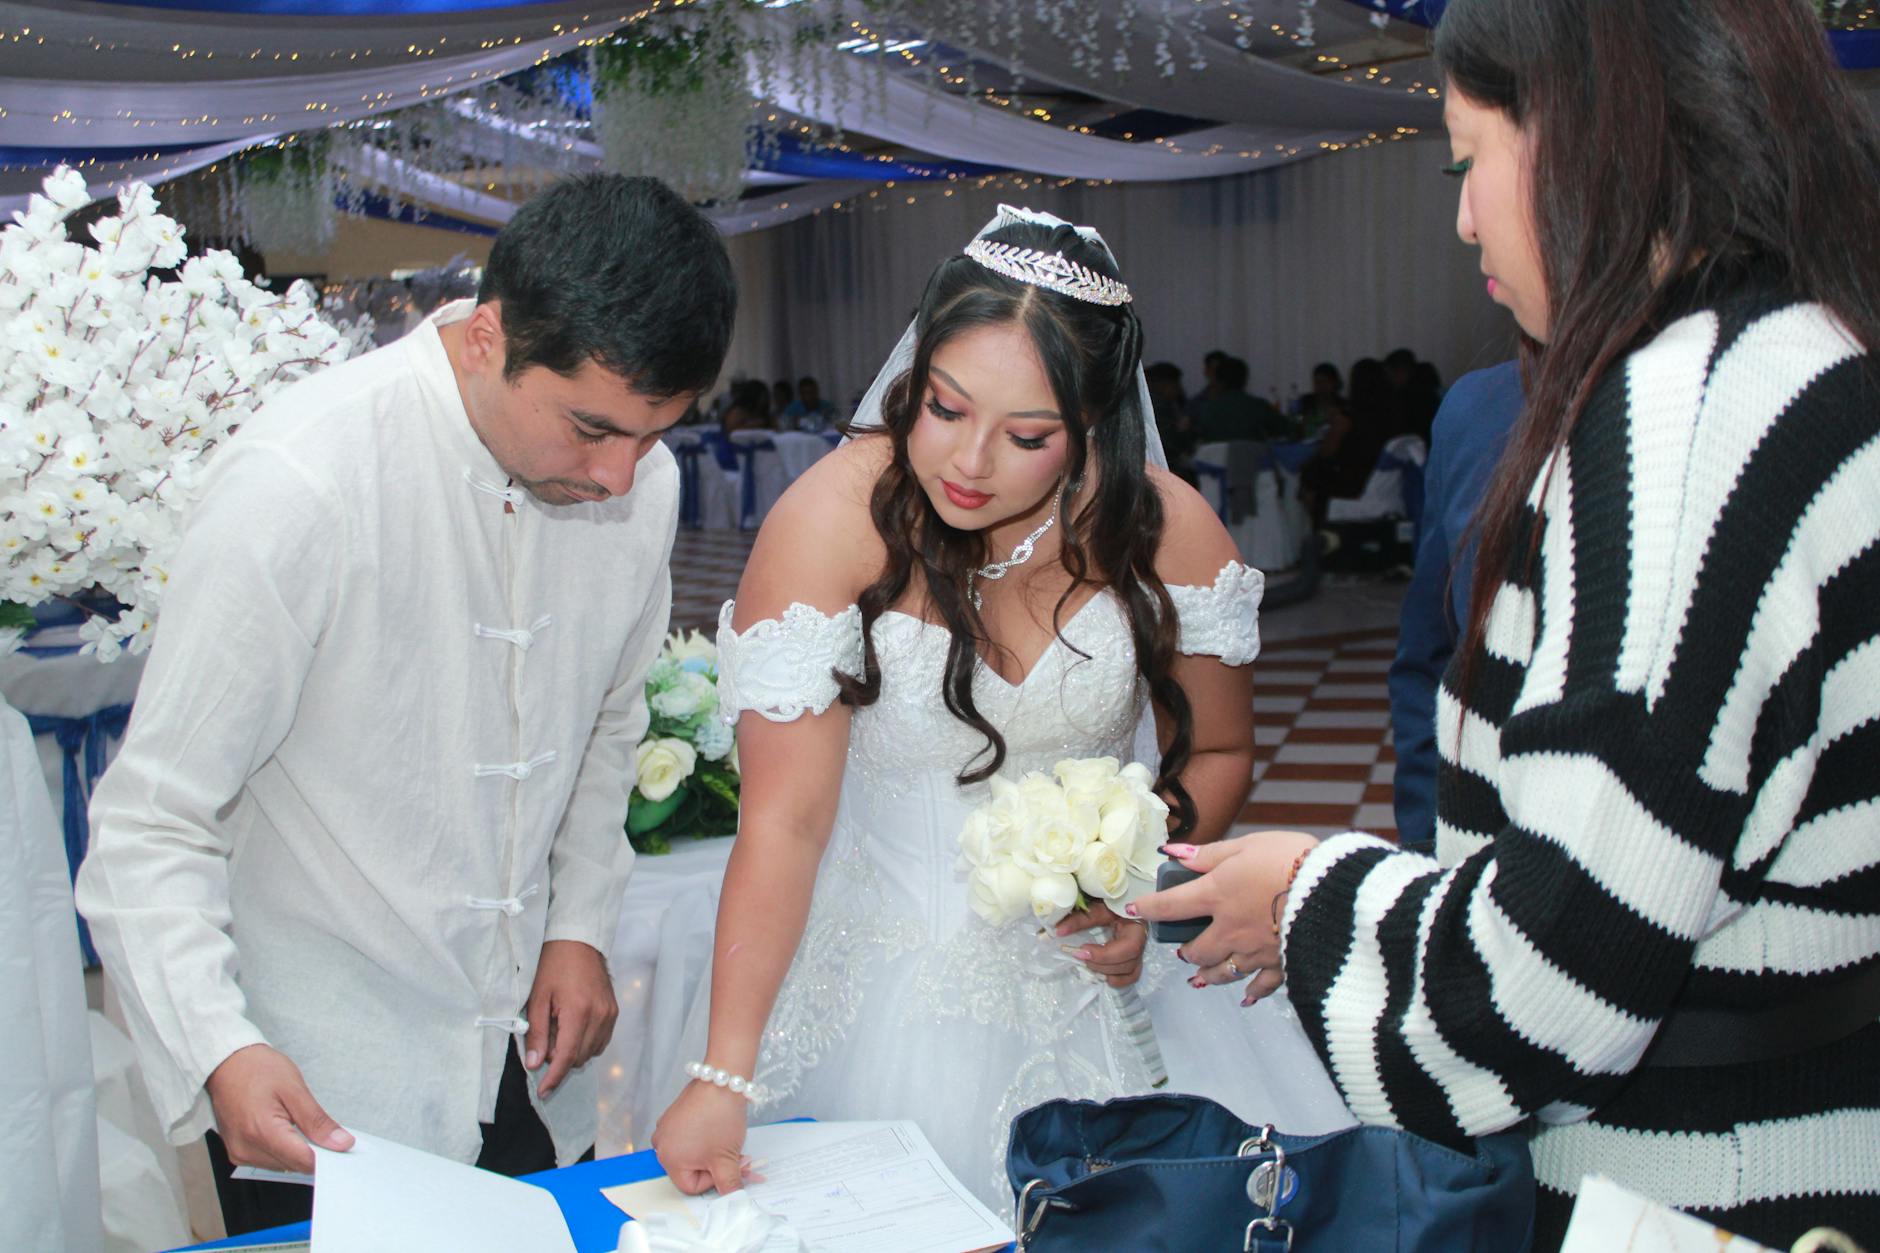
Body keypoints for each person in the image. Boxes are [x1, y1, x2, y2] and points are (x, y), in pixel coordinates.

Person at [1132, 0, 1880, 1246]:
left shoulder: (1683, 415)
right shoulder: (1807, 356)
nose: (1464, 215)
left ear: (1595, 135)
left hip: (1697, 1182)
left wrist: (1310, 893)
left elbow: (1550, 987)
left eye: (1469, 161)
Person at [75, 175, 738, 1235]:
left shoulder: (633, 486)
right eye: (591, 428)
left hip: (525, 1049)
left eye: (652, 433)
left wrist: (576, 926)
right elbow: (150, 819)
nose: (620, 477)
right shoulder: (304, 482)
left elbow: (609, 725)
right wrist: (218, 1044)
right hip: (322, 1068)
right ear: (486, 339)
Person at [649, 205, 1350, 1208]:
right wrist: (723, 1071)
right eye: (942, 407)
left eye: (1025, 435)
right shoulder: (829, 523)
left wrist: (1136, 895)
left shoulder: (1168, 531)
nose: (967, 464)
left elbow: (1220, 747)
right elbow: (786, 819)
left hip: (1100, 979)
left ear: (1092, 420)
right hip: (875, 980)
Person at [1386, 361, 1523, 852]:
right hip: (1484, 830)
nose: (1483, 276)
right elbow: (1431, 644)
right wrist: (1427, 828)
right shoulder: (1480, 404)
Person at [1192, 355, 1290, 444]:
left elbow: (1196, 437)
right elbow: (1288, 430)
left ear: (1219, 381)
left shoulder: (1208, 409)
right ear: (1245, 380)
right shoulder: (1259, 406)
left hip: (1215, 463)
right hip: (1252, 462)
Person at [1144, 360, 1197, 484]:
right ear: (1163, 384)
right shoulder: (1160, 406)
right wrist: (1183, 432)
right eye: (1175, 385)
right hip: (1165, 466)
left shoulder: (1151, 403)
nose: (1178, 390)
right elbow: (1172, 443)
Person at [1294, 361, 1344, 440]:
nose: (1321, 387)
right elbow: (1297, 426)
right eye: (1317, 382)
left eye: (1325, 382)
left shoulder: (1343, 406)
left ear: (1335, 383)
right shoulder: (1306, 401)